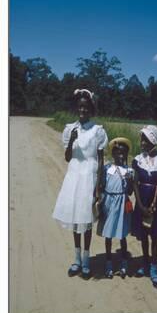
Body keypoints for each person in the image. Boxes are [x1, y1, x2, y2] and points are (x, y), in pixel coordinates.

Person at [52, 89, 108, 279]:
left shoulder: (97, 130)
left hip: (89, 177)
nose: (82, 110)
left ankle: (86, 260)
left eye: (86, 107)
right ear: (77, 108)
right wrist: (71, 142)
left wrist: (99, 184)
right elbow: (68, 157)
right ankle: (76, 259)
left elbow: (100, 160)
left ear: (91, 109)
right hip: (74, 176)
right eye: (80, 106)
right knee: (76, 218)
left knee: (86, 219)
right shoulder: (70, 129)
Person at [131, 125, 157, 289]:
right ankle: (145, 262)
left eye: (145, 140)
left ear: (153, 141)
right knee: (143, 235)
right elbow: (135, 183)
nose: (142, 143)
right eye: (141, 139)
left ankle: (154, 268)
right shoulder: (138, 160)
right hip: (141, 199)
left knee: (154, 235)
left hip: (156, 203)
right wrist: (141, 205)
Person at [96, 138, 133, 279]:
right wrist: (99, 199)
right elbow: (102, 185)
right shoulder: (107, 168)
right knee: (109, 234)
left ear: (126, 154)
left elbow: (129, 192)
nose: (120, 156)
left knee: (122, 234)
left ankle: (124, 264)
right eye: (117, 153)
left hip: (122, 203)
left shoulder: (128, 171)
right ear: (113, 154)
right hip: (109, 203)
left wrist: (129, 181)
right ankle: (109, 263)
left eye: (123, 153)